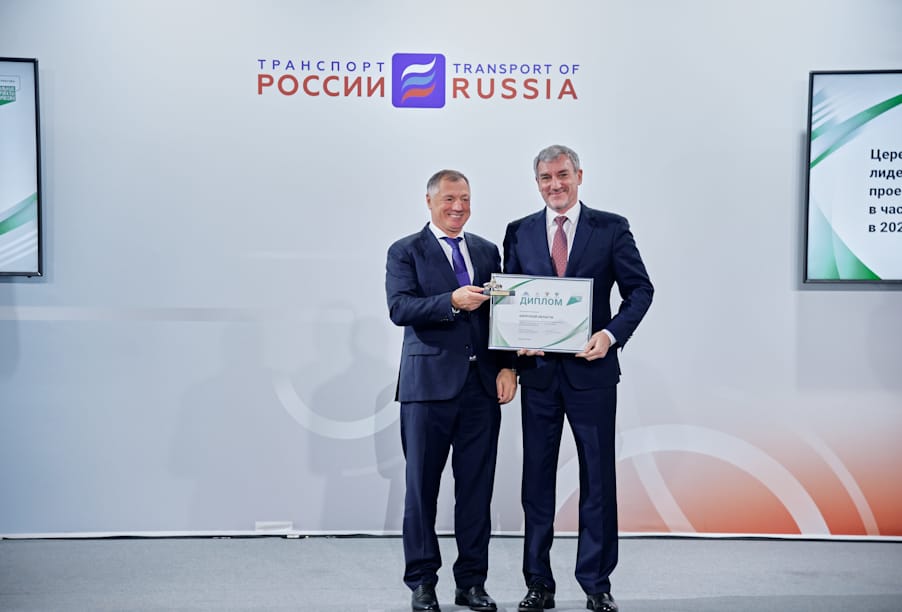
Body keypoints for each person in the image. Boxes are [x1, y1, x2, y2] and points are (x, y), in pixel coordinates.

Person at [503, 145, 653, 612]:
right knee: (536, 482)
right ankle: (538, 583)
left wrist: (610, 335)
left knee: (598, 480)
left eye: (563, 175)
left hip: (593, 374)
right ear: (537, 183)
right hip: (539, 377)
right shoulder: (519, 231)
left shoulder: (611, 228)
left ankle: (596, 583)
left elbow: (640, 290)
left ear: (579, 176)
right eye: (546, 177)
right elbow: (508, 300)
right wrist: (514, 344)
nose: (555, 185)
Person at [386, 169, 518, 612]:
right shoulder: (405, 250)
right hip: (426, 389)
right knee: (421, 490)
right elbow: (399, 307)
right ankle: (422, 582)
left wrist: (508, 367)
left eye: (464, 199)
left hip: (481, 388)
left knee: (476, 491)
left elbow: (502, 315)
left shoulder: (486, 250)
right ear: (429, 201)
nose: (458, 207)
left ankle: (472, 583)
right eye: (449, 199)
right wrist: (450, 302)